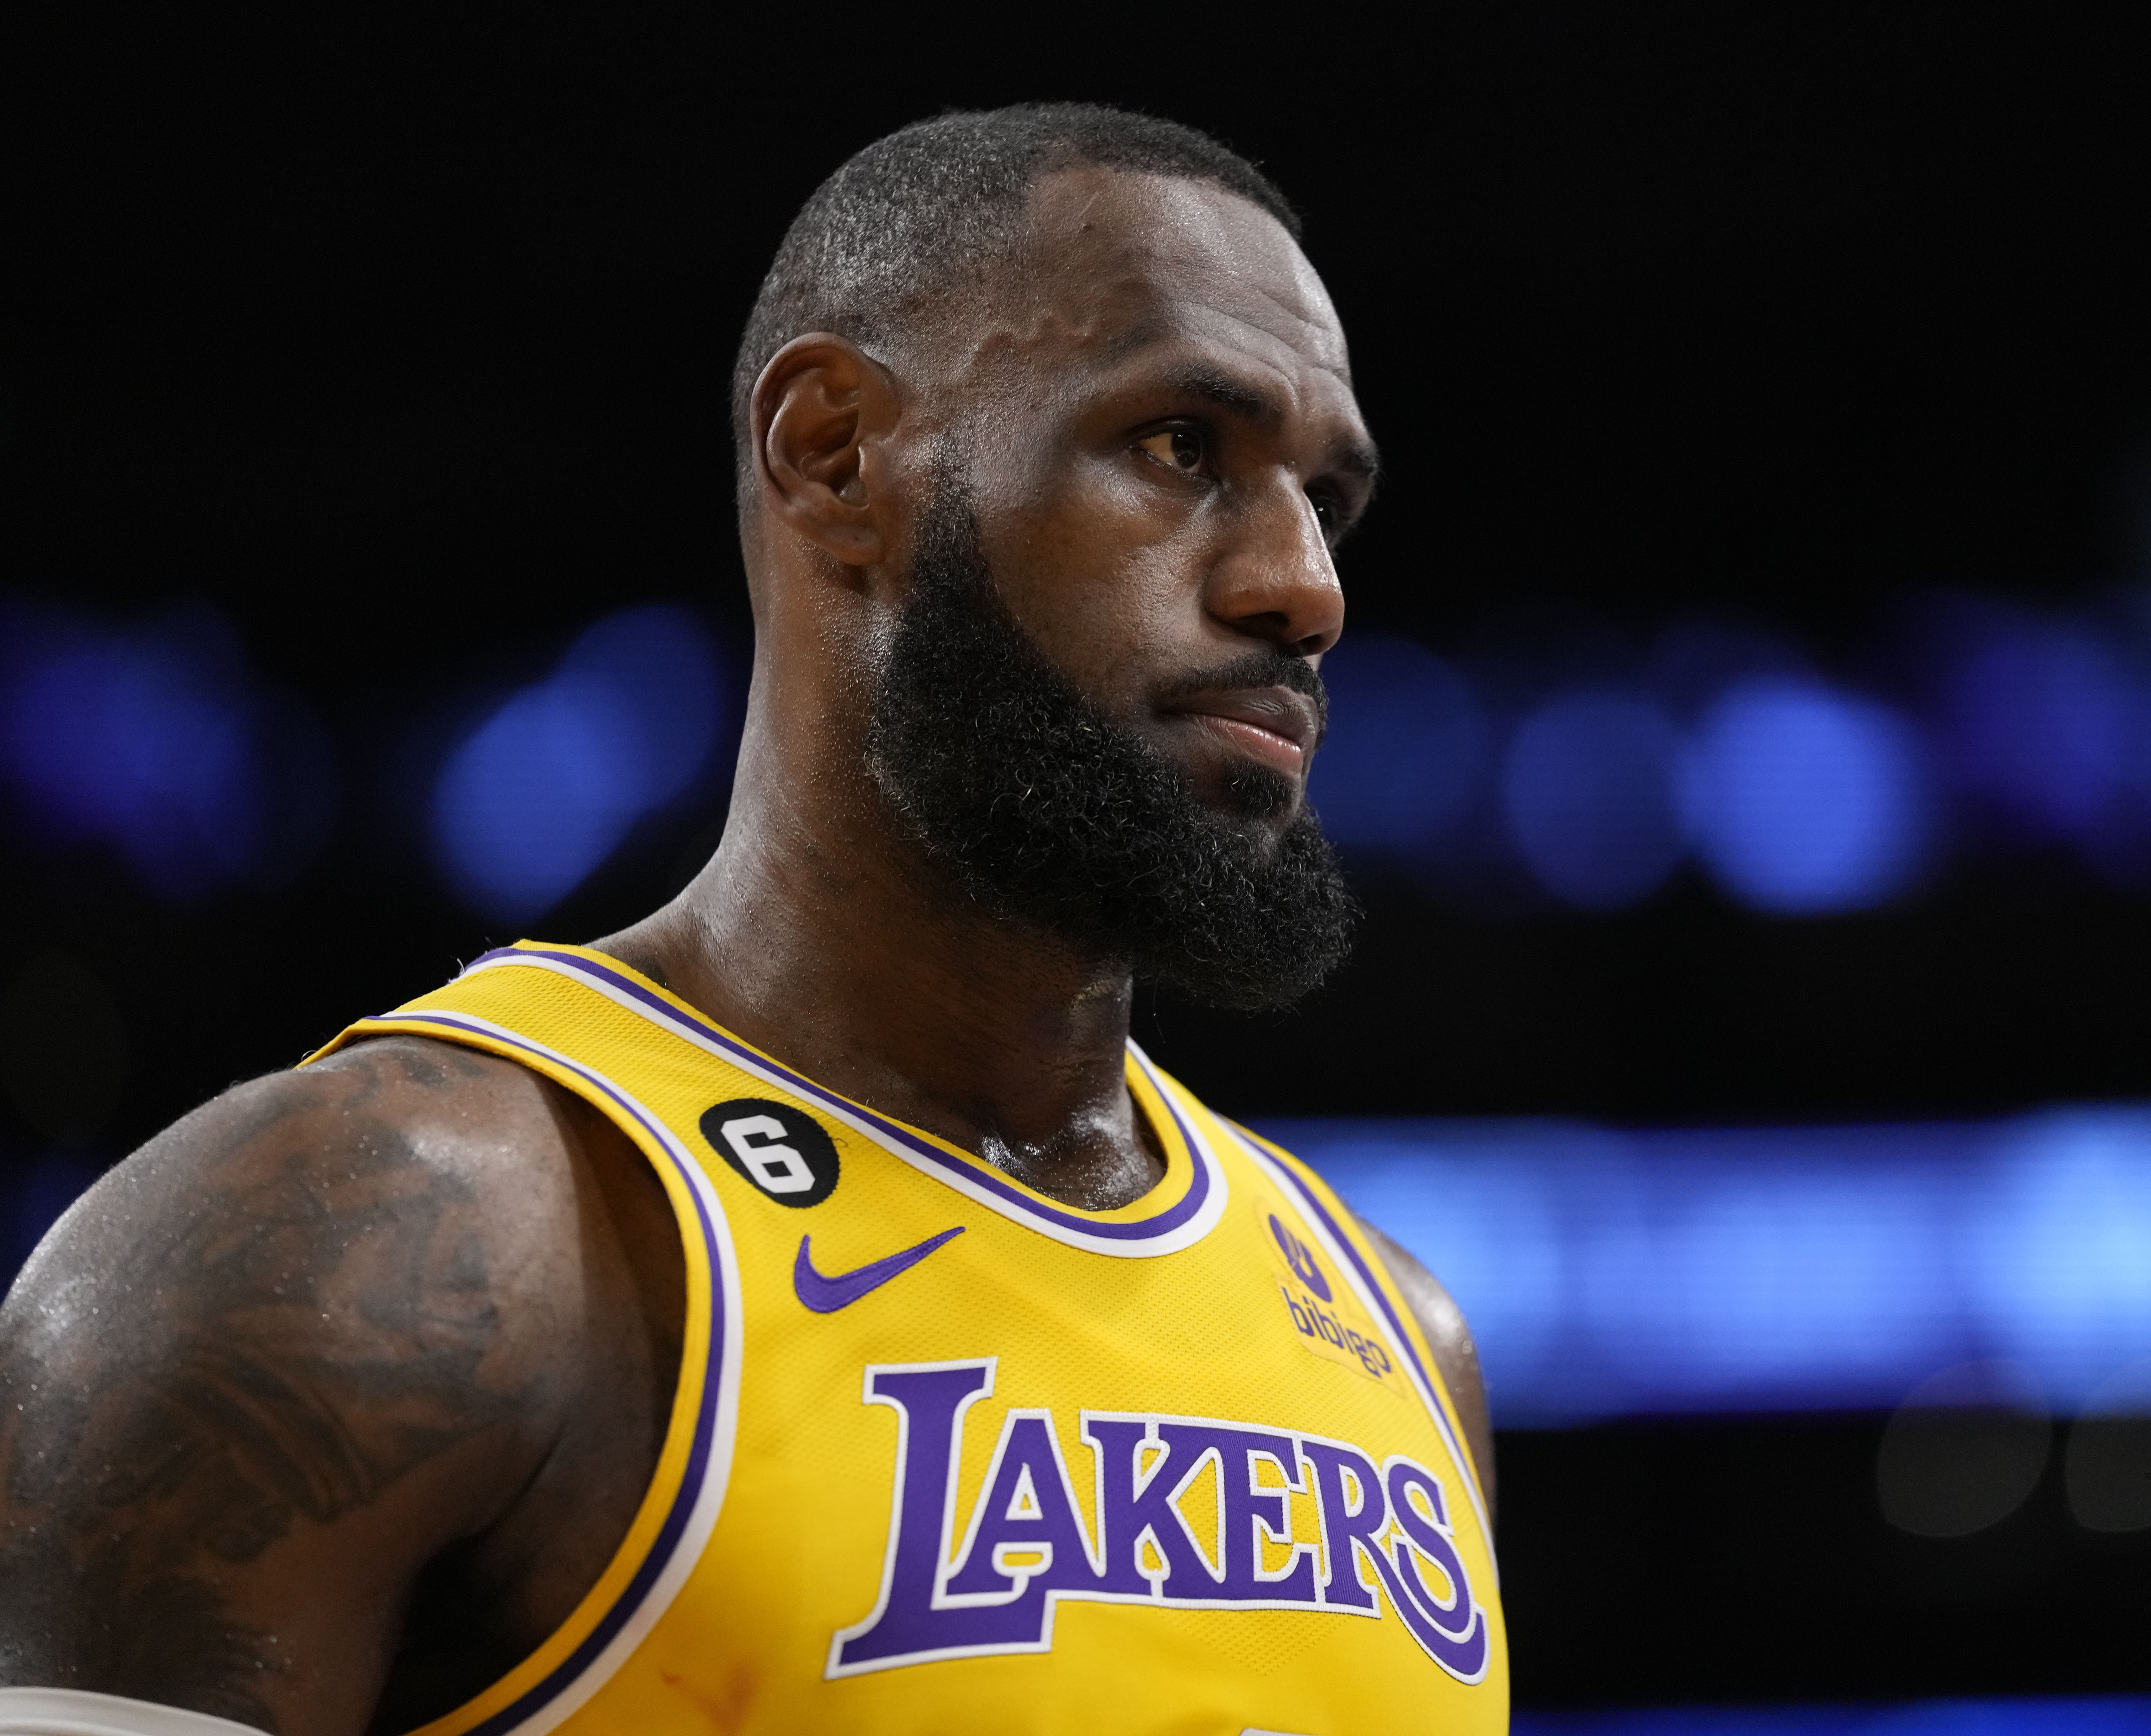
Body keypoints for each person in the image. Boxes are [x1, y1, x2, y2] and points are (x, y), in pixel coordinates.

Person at [0, 104, 1503, 1736]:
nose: (1304, 587)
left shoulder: (1402, 1342)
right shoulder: (367, 1250)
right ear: (835, 455)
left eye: (1327, 502)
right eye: (1180, 448)